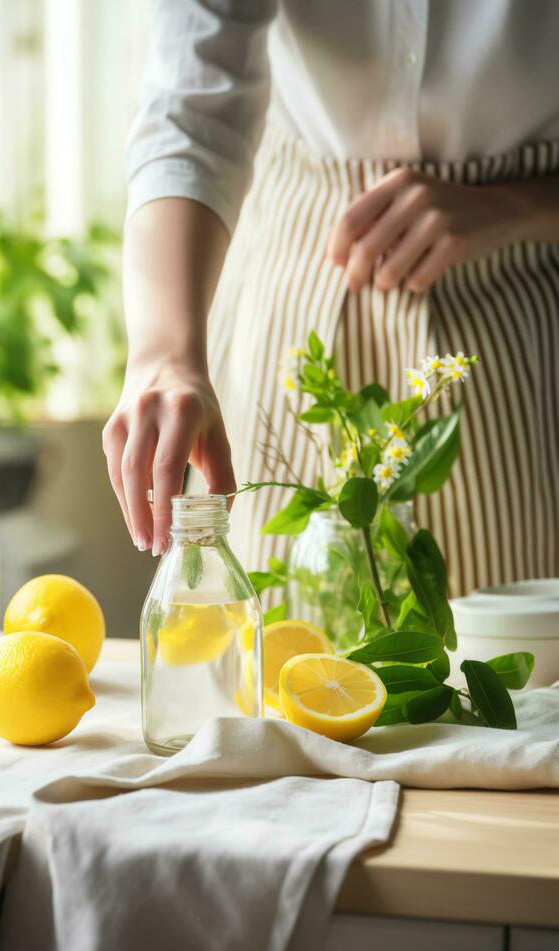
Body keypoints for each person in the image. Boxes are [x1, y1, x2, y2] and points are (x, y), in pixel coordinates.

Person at [103, 0, 559, 597]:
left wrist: (522, 205)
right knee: (273, 660)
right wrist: (165, 352)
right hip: (290, 307)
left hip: (516, 323)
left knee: (516, 676)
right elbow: (189, 112)